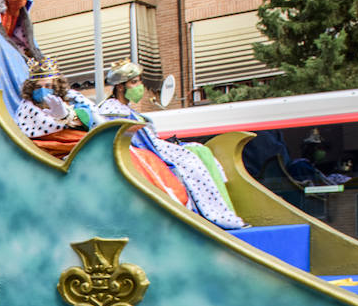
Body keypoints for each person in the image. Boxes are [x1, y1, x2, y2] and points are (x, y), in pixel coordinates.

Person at [97, 60, 246, 228]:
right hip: (141, 154)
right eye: (134, 82)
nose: (140, 86)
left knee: (199, 150)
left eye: (139, 81)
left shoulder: (127, 109)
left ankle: (222, 211)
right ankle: (213, 215)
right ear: (120, 87)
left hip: (153, 148)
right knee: (190, 160)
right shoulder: (112, 110)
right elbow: (134, 141)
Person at [16, 56, 99, 158]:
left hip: (77, 147)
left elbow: (87, 116)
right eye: (38, 87)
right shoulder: (25, 110)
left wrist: (66, 115)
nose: (43, 90)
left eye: (48, 86)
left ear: (56, 87)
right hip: (43, 153)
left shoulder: (71, 99)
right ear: (31, 89)